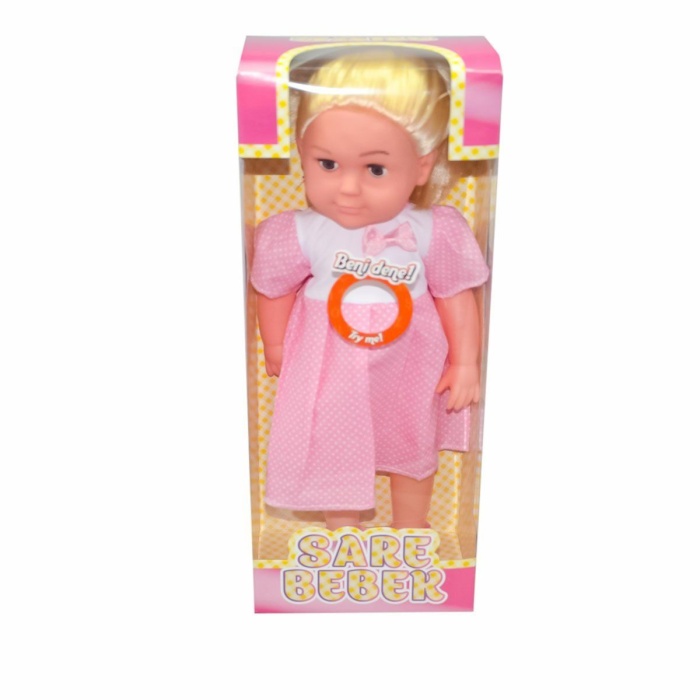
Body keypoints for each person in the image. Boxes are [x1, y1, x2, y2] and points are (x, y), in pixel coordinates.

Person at [251, 49, 489, 530]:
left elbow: (455, 294)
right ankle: (343, 532)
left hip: (410, 361)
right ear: (302, 155)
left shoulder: (431, 229)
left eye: (375, 169)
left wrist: (465, 362)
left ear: (422, 167)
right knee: (334, 447)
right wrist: (276, 346)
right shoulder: (300, 231)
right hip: (330, 363)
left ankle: (411, 527)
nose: (348, 189)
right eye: (327, 164)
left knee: (412, 441)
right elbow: (272, 288)